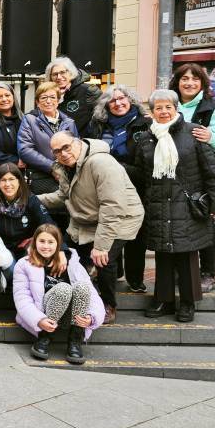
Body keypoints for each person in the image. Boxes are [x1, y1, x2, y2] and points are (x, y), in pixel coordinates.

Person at [136, 89, 215, 323]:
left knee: (187, 253)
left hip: (187, 204)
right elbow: (142, 175)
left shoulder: (192, 132)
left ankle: (188, 301)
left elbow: (211, 171)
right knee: (163, 253)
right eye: (158, 108)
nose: (164, 112)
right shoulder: (146, 138)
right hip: (158, 204)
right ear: (152, 112)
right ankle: (163, 299)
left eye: (168, 107)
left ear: (176, 109)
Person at [37, 131, 145, 325]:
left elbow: (112, 207)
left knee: (103, 259)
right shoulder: (66, 167)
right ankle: (75, 292)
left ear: (77, 142)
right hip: (88, 218)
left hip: (122, 217)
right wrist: (31, 200)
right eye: (57, 151)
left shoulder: (101, 163)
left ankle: (108, 305)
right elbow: (63, 196)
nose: (63, 154)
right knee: (66, 251)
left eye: (66, 147)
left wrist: (101, 246)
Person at [170, 62, 215, 293]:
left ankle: (208, 273)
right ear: (177, 82)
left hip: (204, 176)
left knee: (206, 222)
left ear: (203, 83)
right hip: (175, 176)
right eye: (184, 78)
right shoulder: (170, 105)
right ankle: (182, 270)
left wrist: (211, 137)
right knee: (178, 222)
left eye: (195, 79)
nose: (189, 83)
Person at [87, 85, 152, 293]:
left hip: (137, 184)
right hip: (106, 186)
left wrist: (119, 167)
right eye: (112, 101)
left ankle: (135, 279)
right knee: (111, 230)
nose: (118, 103)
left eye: (122, 98)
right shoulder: (98, 126)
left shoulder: (145, 124)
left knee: (135, 235)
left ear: (130, 100)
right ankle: (114, 272)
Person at [13, 223, 105, 365]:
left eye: (51, 242)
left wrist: (92, 318)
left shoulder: (72, 262)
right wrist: (39, 320)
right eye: (42, 241)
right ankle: (44, 338)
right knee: (63, 289)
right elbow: (22, 298)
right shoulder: (24, 264)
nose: (46, 246)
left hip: (72, 316)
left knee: (82, 286)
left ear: (58, 244)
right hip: (44, 313)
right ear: (35, 242)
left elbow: (92, 294)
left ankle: (75, 340)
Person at [17, 81, 78, 196]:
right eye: (44, 97)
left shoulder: (69, 122)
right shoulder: (29, 120)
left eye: (52, 97)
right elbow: (24, 150)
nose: (48, 101)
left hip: (68, 175)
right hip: (41, 177)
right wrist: (52, 167)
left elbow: (76, 148)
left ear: (58, 100)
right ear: (37, 102)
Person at [45, 56, 102, 134]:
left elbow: (103, 118)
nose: (59, 77)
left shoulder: (88, 91)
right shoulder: (48, 94)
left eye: (62, 72)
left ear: (70, 73)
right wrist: (59, 98)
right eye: (55, 74)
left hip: (82, 139)